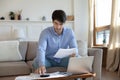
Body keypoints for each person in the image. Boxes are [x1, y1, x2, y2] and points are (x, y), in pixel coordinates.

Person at [32, 10, 78, 75]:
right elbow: (41, 49)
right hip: (48, 60)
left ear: (64, 23)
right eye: (56, 23)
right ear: (52, 21)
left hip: (63, 59)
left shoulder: (70, 32)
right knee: (37, 62)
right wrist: (42, 64)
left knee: (78, 59)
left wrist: (74, 54)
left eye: (61, 24)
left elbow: (75, 48)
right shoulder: (45, 33)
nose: (58, 27)